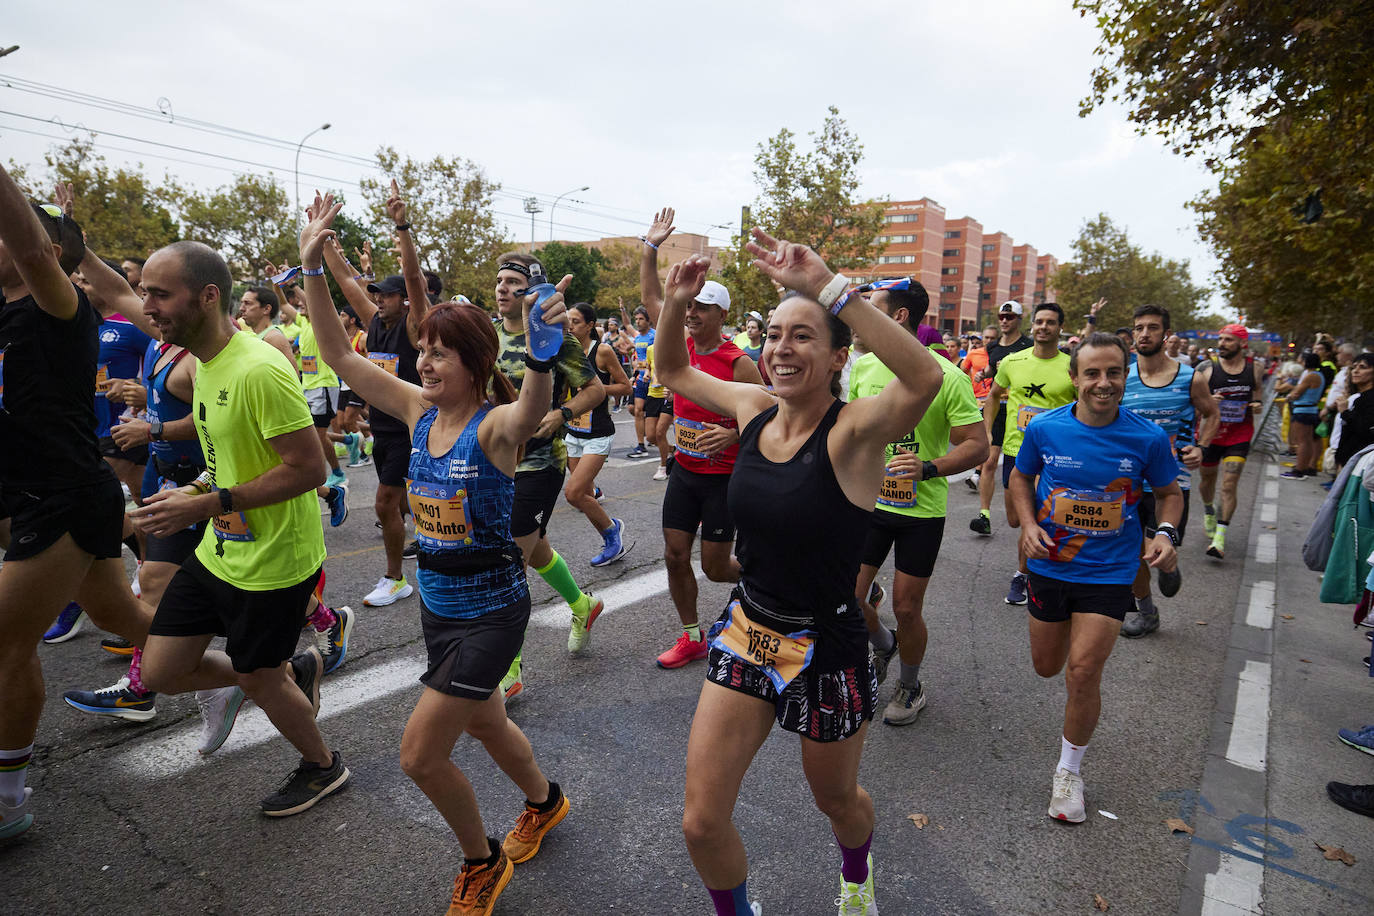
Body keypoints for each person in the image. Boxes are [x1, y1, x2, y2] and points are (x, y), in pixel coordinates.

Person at [294, 194, 568, 913]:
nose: (424, 360)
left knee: (420, 754)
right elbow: (335, 356)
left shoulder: (495, 428)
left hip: (492, 612)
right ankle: (545, 802)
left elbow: (533, 409)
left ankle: (482, 864)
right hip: (439, 608)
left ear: (474, 363)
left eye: (438, 352)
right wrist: (312, 268)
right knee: (486, 722)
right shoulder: (416, 409)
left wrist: (542, 357)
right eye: (422, 350)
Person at [663, 230, 943, 916]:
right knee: (700, 820)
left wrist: (831, 289)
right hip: (751, 630)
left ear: (838, 355)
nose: (782, 348)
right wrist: (674, 301)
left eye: (803, 336)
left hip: (827, 647)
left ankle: (856, 876)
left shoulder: (853, 433)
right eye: (774, 336)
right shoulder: (753, 408)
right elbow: (673, 368)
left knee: (838, 802)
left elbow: (926, 378)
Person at [130, 238, 349, 817]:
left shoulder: (258, 369)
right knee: (162, 670)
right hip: (220, 550)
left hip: (276, 561)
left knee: (257, 676)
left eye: (158, 293)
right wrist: (195, 492)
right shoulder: (202, 364)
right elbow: (225, 460)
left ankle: (323, 765)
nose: (146, 305)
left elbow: (306, 470)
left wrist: (207, 502)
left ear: (206, 297)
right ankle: (286, 673)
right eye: (143, 291)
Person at [0, 175, 160, 840]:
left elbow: (36, 254)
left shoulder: (57, 309)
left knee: (5, 646)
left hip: (63, 495)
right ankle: (260, 669)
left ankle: (7, 801)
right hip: (32, 494)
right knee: (121, 616)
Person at [1010, 332, 1182, 823]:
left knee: (1083, 671)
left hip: (1109, 571)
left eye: (1112, 373)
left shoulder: (1146, 437)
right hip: (1049, 566)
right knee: (1047, 666)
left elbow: (1170, 493)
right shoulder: (1045, 429)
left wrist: (1166, 532)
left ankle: (1069, 772)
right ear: (1074, 378)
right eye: (1092, 373)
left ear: (1124, 376)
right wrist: (1027, 525)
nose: (1102, 383)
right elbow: (1021, 477)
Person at [849, 278, 988, 725]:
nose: (859, 318)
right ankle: (884, 645)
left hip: (919, 512)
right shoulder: (865, 368)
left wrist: (928, 468)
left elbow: (977, 445)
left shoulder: (946, 376)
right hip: (868, 505)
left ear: (898, 316)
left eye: (870, 308)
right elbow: (850, 432)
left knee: (908, 608)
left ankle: (910, 685)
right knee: (845, 595)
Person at [638, 207, 764, 669]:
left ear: (722, 314)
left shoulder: (739, 363)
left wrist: (731, 434)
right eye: (688, 306)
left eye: (700, 307)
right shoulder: (680, 344)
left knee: (715, 568)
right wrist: (650, 248)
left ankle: (768, 586)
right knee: (674, 555)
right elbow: (655, 296)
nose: (689, 313)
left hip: (724, 480)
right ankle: (692, 635)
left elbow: (768, 419)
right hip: (686, 473)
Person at [493, 252, 606, 677]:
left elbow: (594, 392)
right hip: (497, 460)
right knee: (531, 545)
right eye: (499, 281)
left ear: (531, 291)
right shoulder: (487, 335)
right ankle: (582, 605)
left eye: (513, 282)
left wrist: (561, 414)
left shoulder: (555, 334)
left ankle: (509, 671)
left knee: (510, 561)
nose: (503, 288)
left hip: (542, 462)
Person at [322, 180, 431, 608]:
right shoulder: (375, 322)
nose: (379, 300)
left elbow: (415, 279)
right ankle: (420, 557)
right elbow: (349, 284)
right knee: (400, 505)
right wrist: (324, 243)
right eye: (378, 295)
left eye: (387, 295)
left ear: (404, 301)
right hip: (382, 430)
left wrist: (401, 227)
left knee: (387, 503)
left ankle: (394, 577)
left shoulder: (412, 323)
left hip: (413, 426)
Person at [1119, 304, 1219, 638]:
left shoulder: (1191, 378)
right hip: (1128, 482)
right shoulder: (1123, 376)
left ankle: (1167, 561)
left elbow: (1212, 414)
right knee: (1134, 555)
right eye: (1138, 327)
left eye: (1152, 328)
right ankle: (1147, 613)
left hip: (1171, 484)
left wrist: (1201, 447)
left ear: (1166, 334)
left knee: (1153, 551)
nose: (1144, 334)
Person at [983, 303, 1075, 604]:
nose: (1043, 327)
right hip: (1016, 450)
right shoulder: (1012, 361)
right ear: (1032, 325)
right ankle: (1033, 562)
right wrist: (987, 432)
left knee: (1031, 518)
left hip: (1055, 455)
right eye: (1039, 322)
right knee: (1013, 519)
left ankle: (1023, 575)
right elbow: (994, 396)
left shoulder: (1070, 366)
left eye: (1050, 322)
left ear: (1060, 327)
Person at [563, 301, 633, 570]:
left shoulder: (602, 351)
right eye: (568, 320)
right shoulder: (566, 350)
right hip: (573, 431)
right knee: (584, 492)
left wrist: (595, 389)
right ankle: (594, 490)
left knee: (573, 493)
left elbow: (625, 385)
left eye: (576, 321)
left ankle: (612, 533)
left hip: (598, 433)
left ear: (591, 325)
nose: (570, 325)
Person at [1197, 324, 1262, 559]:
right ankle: (1208, 510)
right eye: (1220, 338)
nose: (1222, 343)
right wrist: (1208, 400)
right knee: (1207, 482)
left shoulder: (1255, 368)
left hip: (1239, 434)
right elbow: (1194, 400)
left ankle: (1220, 537)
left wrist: (1257, 404)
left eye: (1228, 340)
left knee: (1229, 484)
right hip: (1211, 434)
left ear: (1242, 344)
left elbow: (1258, 393)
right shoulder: (1207, 367)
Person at [969, 301, 1031, 536]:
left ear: (1019, 319)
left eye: (1010, 317)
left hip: (1021, 411)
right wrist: (983, 375)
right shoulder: (993, 346)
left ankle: (1028, 508)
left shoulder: (1029, 345)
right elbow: (994, 372)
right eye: (1001, 316)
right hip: (996, 408)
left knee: (1025, 464)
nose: (1005, 320)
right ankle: (984, 515)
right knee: (989, 461)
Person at [1280, 351, 1325, 478]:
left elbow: (1297, 392)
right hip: (1310, 410)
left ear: (1306, 362)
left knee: (1302, 442)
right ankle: (1306, 466)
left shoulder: (1311, 376)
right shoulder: (1318, 375)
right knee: (1308, 441)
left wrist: (1292, 394)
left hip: (1304, 411)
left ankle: (1299, 470)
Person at [1333, 353, 1374, 471]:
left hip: (1360, 465)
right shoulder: (1359, 398)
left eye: (1363, 367)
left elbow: (1365, 431)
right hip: (1348, 461)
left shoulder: (1370, 399)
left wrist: (1345, 412)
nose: (1355, 371)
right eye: (1354, 367)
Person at [626, 306, 657, 458]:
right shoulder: (637, 337)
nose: (637, 322)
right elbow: (627, 325)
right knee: (636, 410)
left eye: (641, 319)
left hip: (654, 380)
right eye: (636, 319)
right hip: (641, 378)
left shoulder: (655, 335)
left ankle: (654, 437)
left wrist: (650, 370)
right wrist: (637, 369)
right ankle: (640, 445)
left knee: (653, 417)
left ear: (648, 320)